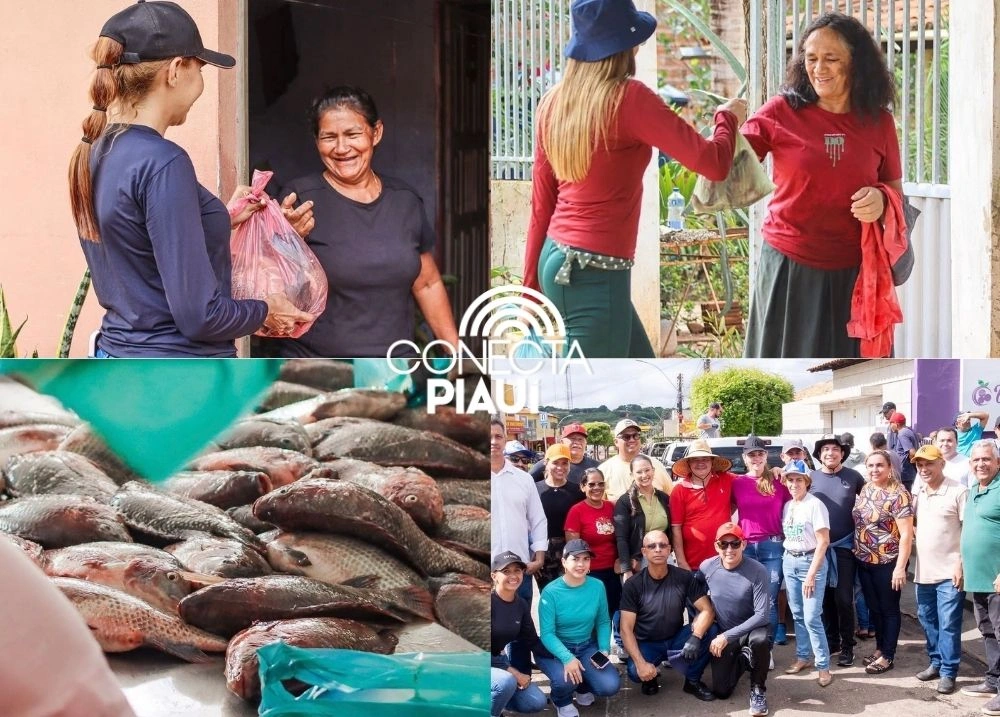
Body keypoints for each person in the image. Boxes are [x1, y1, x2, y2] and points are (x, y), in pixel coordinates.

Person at [68, 0, 311, 357]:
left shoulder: (96, 151)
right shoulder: (164, 161)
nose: (200, 84)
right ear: (176, 70)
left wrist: (219, 218)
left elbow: (140, 246)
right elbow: (201, 316)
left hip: (119, 359)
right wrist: (266, 310)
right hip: (176, 373)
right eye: (200, 69)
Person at [522, 0, 747, 358]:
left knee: (641, 368)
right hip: (595, 273)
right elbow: (714, 163)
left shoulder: (553, 103)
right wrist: (727, 118)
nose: (638, 48)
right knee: (591, 382)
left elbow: (542, 203)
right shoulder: (630, 100)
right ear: (623, 47)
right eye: (635, 41)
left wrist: (530, 288)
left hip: (557, 259)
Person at [741, 12, 903, 358]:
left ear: (856, 63)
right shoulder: (780, 111)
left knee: (851, 370)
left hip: (856, 273)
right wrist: (725, 123)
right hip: (789, 269)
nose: (819, 68)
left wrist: (882, 199)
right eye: (811, 58)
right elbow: (730, 162)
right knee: (788, 367)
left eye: (831, 58)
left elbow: (896, 194)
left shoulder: (880, 123)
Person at [254, 86, 458, 357]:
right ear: (316, 141)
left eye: (352, 134)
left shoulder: (405, 201)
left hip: (392, 368)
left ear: (376, 133)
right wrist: (290, 242)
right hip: (315, 366)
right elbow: (265, 288)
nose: (341, 148)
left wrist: (457, 353)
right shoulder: (299, 200)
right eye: (329, 137)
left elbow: (427, 283)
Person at [618, 530, 716, 702]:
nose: (658, 549)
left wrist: (696, 636)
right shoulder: (633, 585)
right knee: (635, 672)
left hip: (675, 638)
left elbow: (707, 609)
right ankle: (650, 676)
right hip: (647, 643)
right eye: (652, 546)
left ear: (670, 550)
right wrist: (641, 663)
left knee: (712, 629)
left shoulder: (683, 577)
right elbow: (625, 628)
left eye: (663, 545)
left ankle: (692, 681)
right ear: (644, 552)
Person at [536, 540, 622, 717]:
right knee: (565, 681)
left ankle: (582, 686)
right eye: (575, 559)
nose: (581, 564)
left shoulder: (597, 586)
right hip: (555, 649)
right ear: (564, 562)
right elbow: (547, 634)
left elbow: (603, 621)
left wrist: (604, 649)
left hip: (586, 645)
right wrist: (567, 658)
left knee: (610, 685)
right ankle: (561, 700)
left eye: (586, 559)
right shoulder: (550, 592)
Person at [910, 445, 967, 695]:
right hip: (924, 572)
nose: (923, 469)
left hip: (950, 573)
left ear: (941, 464)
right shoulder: (920, 492)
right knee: (927, 619)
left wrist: (960, 563)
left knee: (949, 624)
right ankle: (936, 662)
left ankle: (948, 672)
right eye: (919, 465)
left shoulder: (959, 491)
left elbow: (968, 530)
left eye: (929, 464)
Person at [852, 449, 914, 675]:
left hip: (888, 562)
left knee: (888, 609)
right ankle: (879, 648)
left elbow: (906, 535)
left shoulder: (899, 494)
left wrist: (900, 568)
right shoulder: (867, 488)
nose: (874, 470)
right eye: (870, 465)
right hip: (864, 559)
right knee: (874, 608)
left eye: (879, 465)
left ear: (890, 468)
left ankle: (888, 655)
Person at [700, 523, 770, 715]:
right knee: (721, 692)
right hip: (725, 632)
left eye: (735, 543)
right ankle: (744, 660)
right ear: (716, 546)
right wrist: (704, 621)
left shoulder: (758, 570)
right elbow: (695, 594)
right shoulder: (707, 567)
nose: (729, 549)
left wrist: (725, 636)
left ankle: (758, 689)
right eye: (724, 544)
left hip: (753, 629)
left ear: (744, 544)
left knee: (761, 641)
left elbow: (762, 615)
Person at [809, 433, 865, 667]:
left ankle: (847, 645)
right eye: (825, 450)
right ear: (819, 455)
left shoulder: (854, 477)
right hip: (818, 549)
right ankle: (832, 642)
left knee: (843, 598)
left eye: (835, 449)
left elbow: (869, 503)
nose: (830, 453)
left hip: (844, 547)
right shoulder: (811, 477)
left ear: (842, 453)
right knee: (825, 599)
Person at [732, 435, 792, 646]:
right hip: (745, 547)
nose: (756, 458)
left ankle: (766, 649)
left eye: (760, 454)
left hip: (773, 547)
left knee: (769, 601)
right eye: (752, 455)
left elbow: (794, 508)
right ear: (744, 458)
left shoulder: (779, 481)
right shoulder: (737, 483)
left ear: (766, 456)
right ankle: (748, 646)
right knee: (746, 600)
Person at [781, 459, 833, 687]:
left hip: (811, 562)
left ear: (807, 482)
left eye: (798, 480)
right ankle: (803, 657)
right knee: (798, 614)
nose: (794, 484)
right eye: (790, 480)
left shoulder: (815, 505)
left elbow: (823, 542)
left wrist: (811, 574)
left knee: (812, 617)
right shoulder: (788, 505)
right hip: (789, 560)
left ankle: (823, 666)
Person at [959, 440, 1000, 712]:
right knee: (987, 631)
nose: (981, 464)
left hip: (997, 580)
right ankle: (993, 681)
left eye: (986, 459)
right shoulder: (975, 488)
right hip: (978, 578)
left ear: (998, 462)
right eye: (976, 460)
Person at [490, 419, 547, 605]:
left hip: (519, 569)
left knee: (519, 619)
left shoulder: (524, 480)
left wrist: (539, 558)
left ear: (505, 439)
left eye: (498, 436)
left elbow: (538, 519)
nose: (493, 441)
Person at [490, 551, 547, 717]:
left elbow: (532, 640)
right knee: (506, 681)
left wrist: (564, 656)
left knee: (536, 701)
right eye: (506, 571)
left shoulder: (520, 604)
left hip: (499, 661)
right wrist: (513, 672)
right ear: (494, 576)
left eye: (517, 570)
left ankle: (494, 703)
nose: (513, 576)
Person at [670, 440, 737, 571]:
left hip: (724, 561)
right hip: (693, 565)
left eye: (705, 459)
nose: (700, 463)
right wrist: (681, 562)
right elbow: (676, 529)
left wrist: (775, 470)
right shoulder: (679, 490)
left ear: (712, 462)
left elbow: (753, 481)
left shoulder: (727, 479)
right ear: (688, 464)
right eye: (695, 459)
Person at [565, 468, 621, 620]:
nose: (597, 487)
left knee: (613, 612)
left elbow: (623, 536)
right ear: (583, 487)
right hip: (590, 573)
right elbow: (573, 549)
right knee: (594, 616)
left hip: (614, 572)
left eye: (600, 484)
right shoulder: (576, 511)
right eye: (591, 484)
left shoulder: (612, 507)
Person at [614, 455, 671, 581]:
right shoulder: (624, 502)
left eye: (647, 470)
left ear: (653, 471)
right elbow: (621, 538)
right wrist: (626, 569)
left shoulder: (664, 498)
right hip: (638, 562)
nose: (644, 475)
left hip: (663, 557)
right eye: (639, 472)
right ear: (632, 475)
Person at [537, 444, 585, 591]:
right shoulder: (535, 489)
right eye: (555, 463)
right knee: (548, 592)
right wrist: (534, 554)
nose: (560, 467)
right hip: (542, 552)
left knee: (571, 592)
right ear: (546, 463)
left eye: (565, 463)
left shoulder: (577, 491)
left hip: (570, 551)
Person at [599, 419, 671, 502]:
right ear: (616, 442)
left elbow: (671, 497)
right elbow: (599, 506)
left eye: (635, 435)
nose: (632, 440)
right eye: (626, 437)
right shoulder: (604, 470)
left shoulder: (656, 464)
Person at [530, 423, 599, 485]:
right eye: (572, 438)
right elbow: (527, 484)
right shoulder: (548, 464)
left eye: (580, 439)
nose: (577, 442)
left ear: (586, 443)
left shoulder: (596, 466)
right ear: (562, 442)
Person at [888, 412, 919, 491]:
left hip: (905, 474)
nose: (890, 426)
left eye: (891, 423)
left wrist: (912, 465)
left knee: (905, 496)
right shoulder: (909, 431)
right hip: (909, 473)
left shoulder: (902, 434)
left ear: (896, 424)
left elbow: (912, 452)